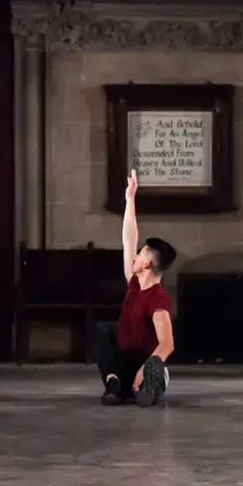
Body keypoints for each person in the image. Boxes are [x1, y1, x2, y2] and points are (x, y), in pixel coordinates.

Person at [96, 169, 175, 407]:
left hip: (141, 362)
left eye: (140, 254)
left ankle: (150, 383)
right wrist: (130, 199)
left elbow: (167, 343)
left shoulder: (158, 300)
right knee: (101, 333)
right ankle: (114, 384)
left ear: (147, 263)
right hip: (122, 361)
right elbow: (128, 238)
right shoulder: (133, 282)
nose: (135, 255)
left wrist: (146, 369)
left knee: (147, 368)